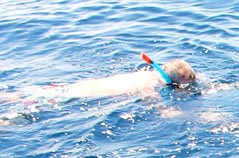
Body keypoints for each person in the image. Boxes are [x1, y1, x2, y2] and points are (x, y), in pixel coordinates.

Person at [1, 54, 196, 107]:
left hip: (66, 88)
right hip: (69, 97)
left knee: (17, 96)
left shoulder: (145, 73)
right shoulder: (149, 86)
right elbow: (159, 110)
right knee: (22, 110)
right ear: (183, 79)